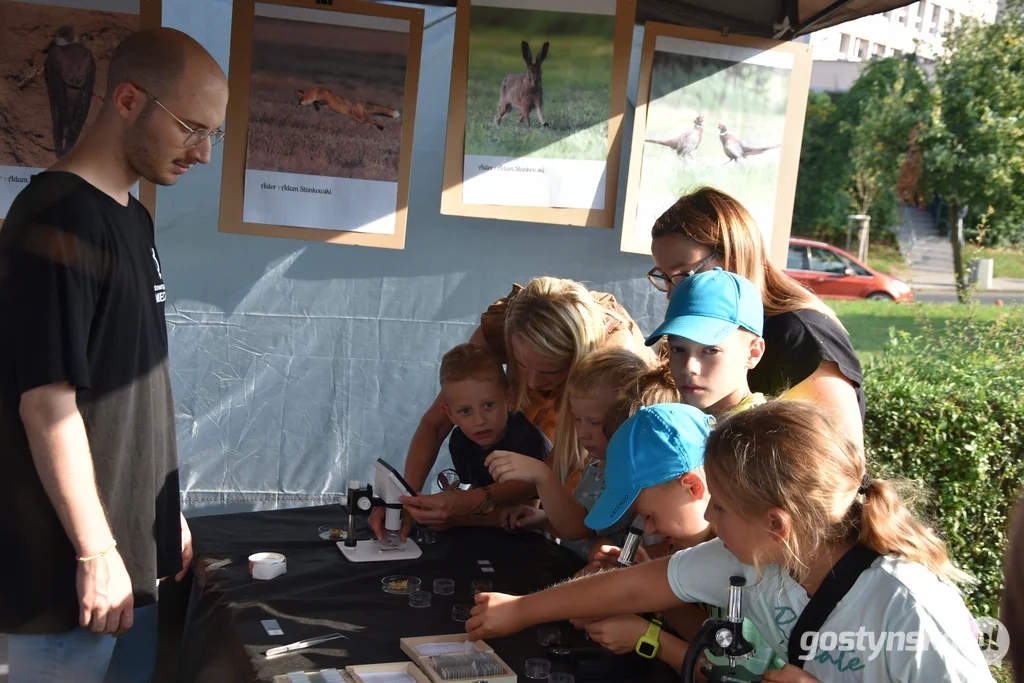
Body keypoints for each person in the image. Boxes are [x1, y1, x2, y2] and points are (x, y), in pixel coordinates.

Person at [0, 28, 228, 683]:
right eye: (192, 127)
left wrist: (163, 512)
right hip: (65, 581)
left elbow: (127, 387)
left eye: (213, 132)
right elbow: (47, 403)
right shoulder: (55, 217)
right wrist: (96, 546)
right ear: (128, 100)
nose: (205, 152)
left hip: (129, 564)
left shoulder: (132, 217)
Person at [466, 401, 993, 683]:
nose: (711, 521)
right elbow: (632, 589)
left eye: (719, 507)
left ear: (776, 523)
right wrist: (521, 611)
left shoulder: (910, 607)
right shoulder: (760, 556)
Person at [372, 276, 651, 540]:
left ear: (576, 359)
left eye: (548, 371)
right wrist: (406, 500)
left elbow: (556, 469)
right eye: (520, 363)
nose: (531, 382)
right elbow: (434, 425)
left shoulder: (609, 367)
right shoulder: (505, 322)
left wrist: (472, 501)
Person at [645, 187, 865, 449]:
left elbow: (846, 462)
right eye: (665, 277)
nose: (673, 292)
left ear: (735, 254)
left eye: (683, 274)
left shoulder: (800, 333)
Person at [489, 348, 650, 560]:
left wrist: (543, 475)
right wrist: (543, 518)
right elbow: (577, 524)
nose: (582, 433)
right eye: (577, 419)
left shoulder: (628, 477)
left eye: (595, 422)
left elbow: (579, 528)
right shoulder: (597, 464)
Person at [415, 343, 548, 527]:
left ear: (509, 399)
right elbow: (475, 492)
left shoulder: (529, 442)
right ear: (449, 413)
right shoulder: (460, 441)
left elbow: (525, 514)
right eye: (465, 411)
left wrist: (457, 517)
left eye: (488, 405)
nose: (479, 421)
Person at [645, 268, 766, 417]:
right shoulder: (677, 422)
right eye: (677, 349)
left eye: (711, 350)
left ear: (753, 353)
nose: (689, 367)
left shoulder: (767, 437)